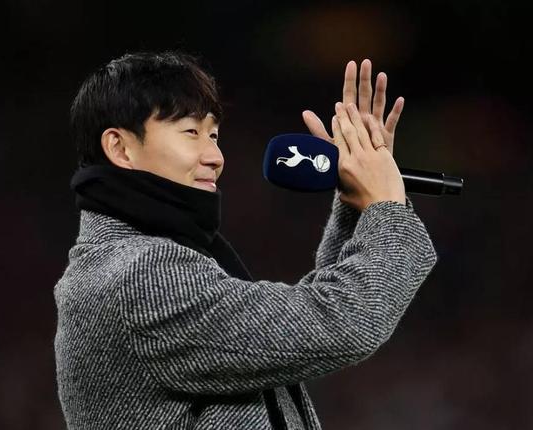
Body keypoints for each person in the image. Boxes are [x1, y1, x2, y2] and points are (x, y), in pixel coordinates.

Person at [53, 51, 438, 430]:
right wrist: (386, 204)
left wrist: (360, 206)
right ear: (120, 148)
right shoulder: (140, 276)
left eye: (214, 134)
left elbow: (306, 334)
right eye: (191, 132)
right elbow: (340, 321)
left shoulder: (128, 264)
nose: (215, 156)